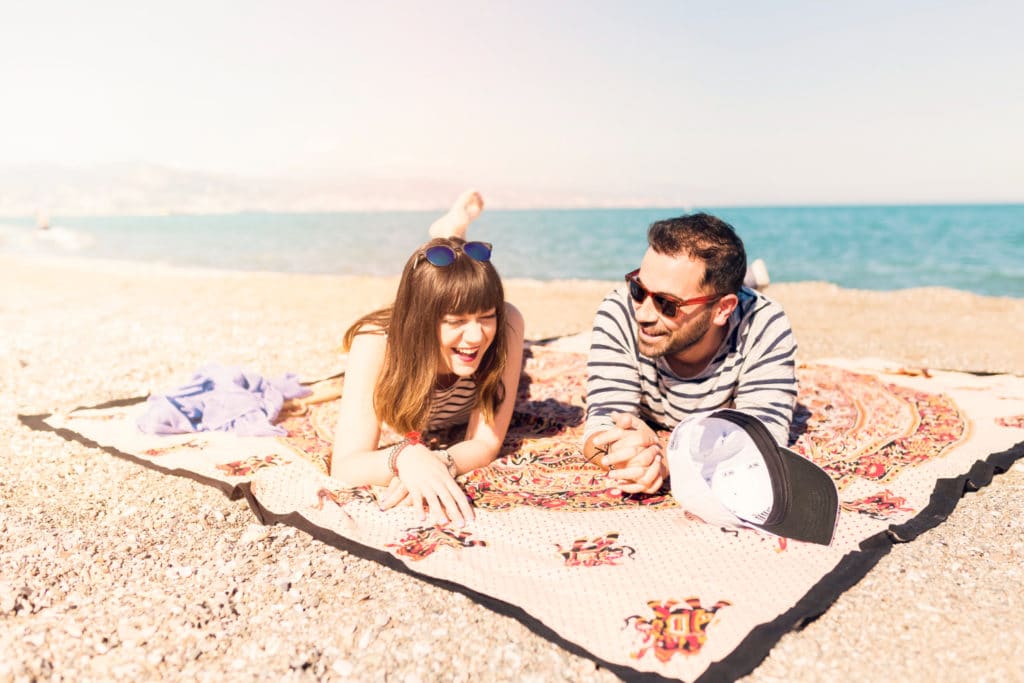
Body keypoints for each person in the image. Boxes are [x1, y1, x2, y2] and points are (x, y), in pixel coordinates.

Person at [331, 191, 525, 528]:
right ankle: (449, 230)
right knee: (442, 274)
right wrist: (404, 457)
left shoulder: (507, 323)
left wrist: (439, 462)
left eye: (485, 316)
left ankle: (453, 231)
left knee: (457, 268)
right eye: (455, 321)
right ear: (421, 320)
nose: (477, 336)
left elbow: (484, 441)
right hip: (405, 337)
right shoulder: (377, 342)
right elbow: (345, 464)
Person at [582, 212, 797, 495]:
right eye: (637, 288)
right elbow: (599, 428)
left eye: (667, 304)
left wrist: (670, 461)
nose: (643, 314)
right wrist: (626, 455)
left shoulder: (763, 323)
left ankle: (748, 283)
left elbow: (763, 440)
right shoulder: (620, 311)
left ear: (723, 309)